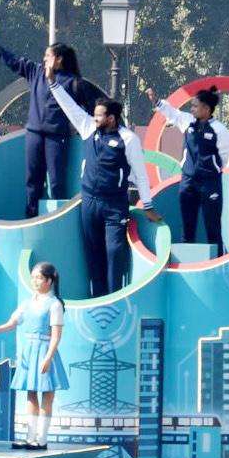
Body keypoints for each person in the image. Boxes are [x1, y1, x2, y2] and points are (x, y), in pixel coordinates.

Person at [49, 83, 162, 298]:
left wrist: (147, 205)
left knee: (114, 252)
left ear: (111, 118)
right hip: (89, 202)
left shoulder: (129, 139)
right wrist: (52, 82)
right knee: (93, 253)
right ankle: (97, 299)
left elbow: (140, 175)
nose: (94, 119)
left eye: (98, 116)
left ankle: (114, 298)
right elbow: (69, 106)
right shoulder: (88, 128)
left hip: (114, 206)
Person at [0, 25, 97, 218]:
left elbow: (91, 109)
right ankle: (31, 216)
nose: (44, 59)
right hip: (34, 134)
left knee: (56, 181)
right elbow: (14, 62)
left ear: (59, 60)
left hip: (57, 137)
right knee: (32, 179)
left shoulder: (73, 82)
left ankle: (57, 218)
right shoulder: (36, 72)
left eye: (48, 56)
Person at [0, 260, 66, 449]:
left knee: (46, 395)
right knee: (30, 394)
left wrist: (49, 357)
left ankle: (42, 439)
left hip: (44, 350)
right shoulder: (28, 303)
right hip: (29, 352)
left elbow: (56, 336)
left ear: (50, 281)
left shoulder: (54, 305)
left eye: (39, 278)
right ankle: (30, 437)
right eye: (33, 278)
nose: (35, 281)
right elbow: (13, 322)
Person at [147, 86, 229, 251]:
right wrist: (157, 102)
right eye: (192, 106)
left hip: (210, 183)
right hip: (188, 181)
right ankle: (188, 263)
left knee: (213, 227)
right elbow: (173, 113)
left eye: (195, 106)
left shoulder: (220, 130)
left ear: (207, 109)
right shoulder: (188, 121)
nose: (192, 109)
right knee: (188, 227)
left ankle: (218, 263)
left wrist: (210, 170)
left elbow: (223, 156)